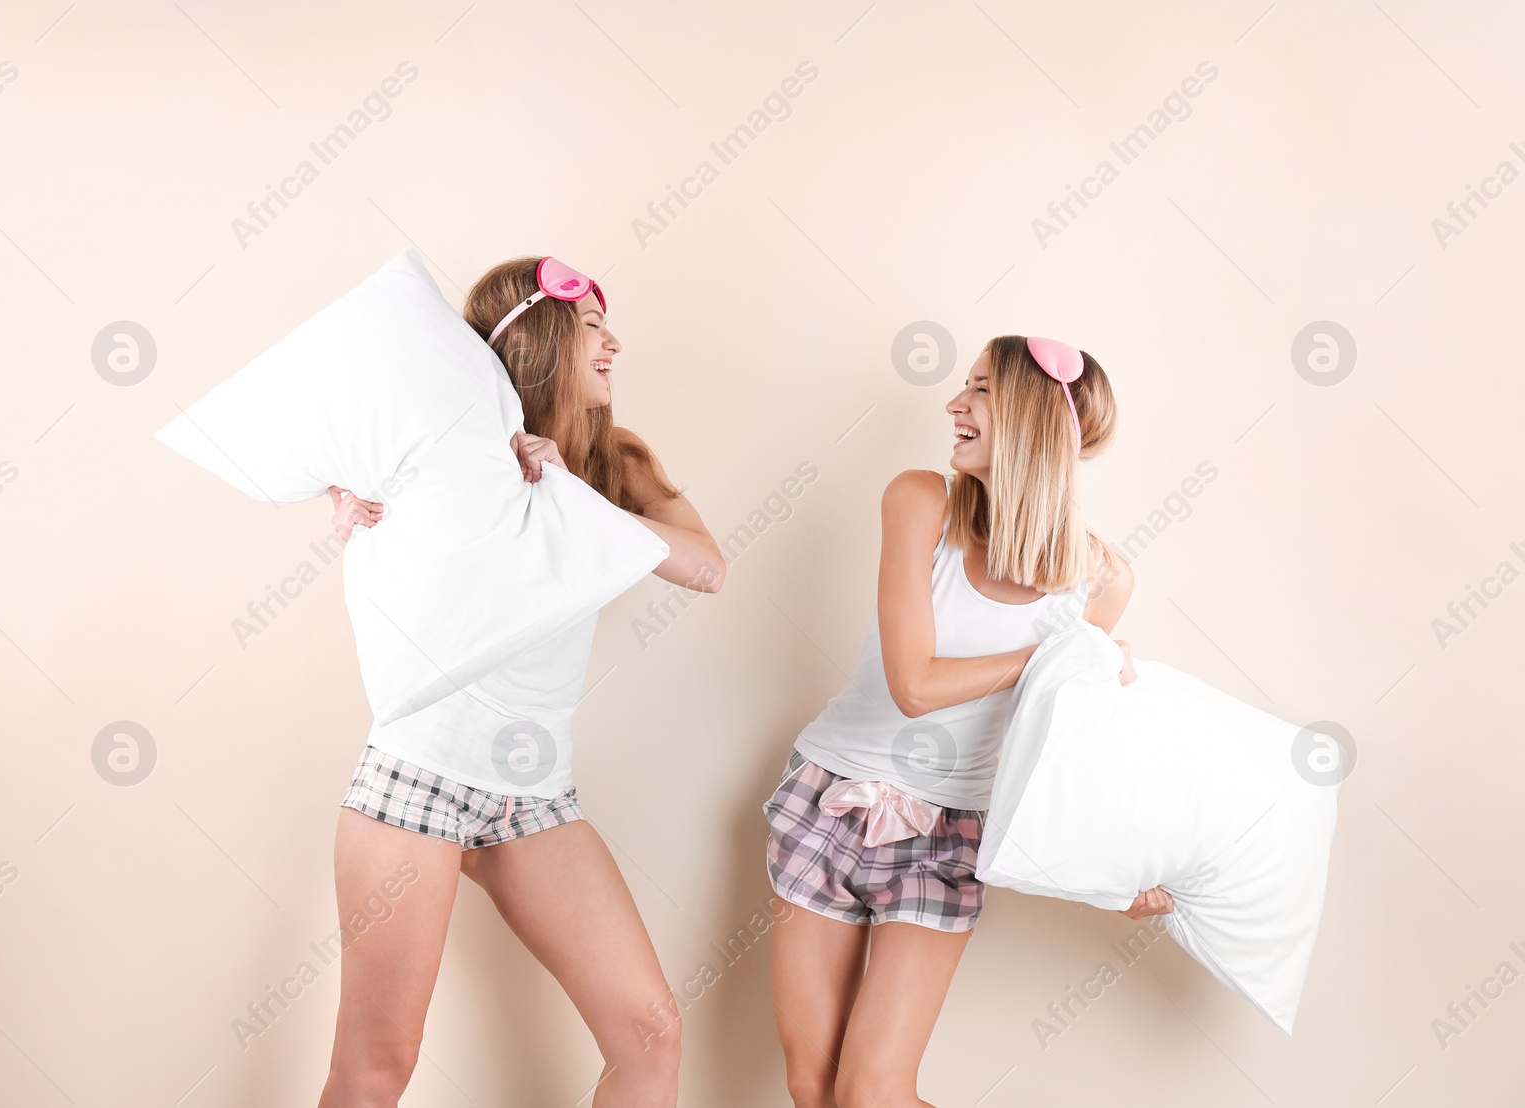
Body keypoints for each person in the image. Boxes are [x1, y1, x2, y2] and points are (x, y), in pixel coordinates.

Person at [316, 256, 725, 1108]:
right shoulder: (452, 439)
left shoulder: (615, 457)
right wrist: (352, 506)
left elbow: (707, 567)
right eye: (592, 328)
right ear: (542, 338)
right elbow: (363, 488)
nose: (614, 344)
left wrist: (578, 495)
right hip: (415, 783)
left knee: (652, 1035)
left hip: (532, 796)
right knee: (376, 1067)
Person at [764, 334, 1167, 1108]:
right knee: (814, 1088)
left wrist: (1128, 861)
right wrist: (1061, 655)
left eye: (979, 389)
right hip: (827, 796)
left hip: (951, 835)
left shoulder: (1100, 582)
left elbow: (1060, 751)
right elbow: (914, 684)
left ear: (1027, 418)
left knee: (872, 1091)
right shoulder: (921, 500)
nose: (954, 403)